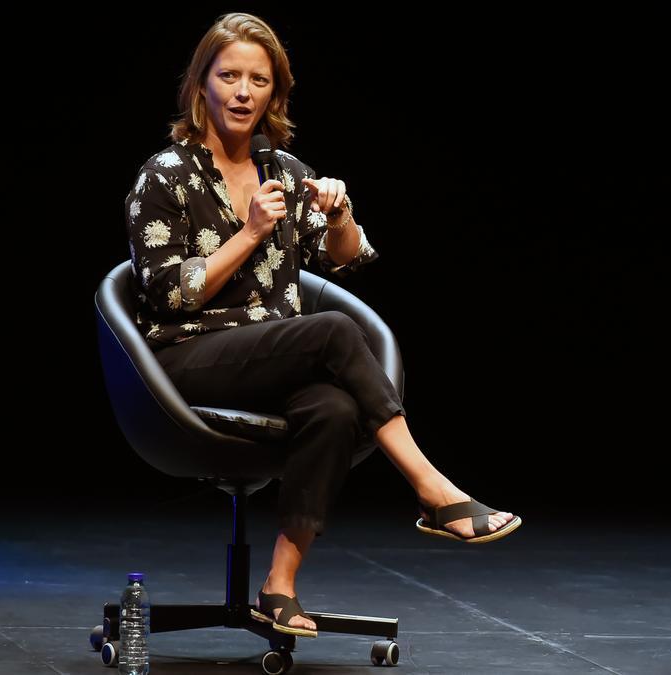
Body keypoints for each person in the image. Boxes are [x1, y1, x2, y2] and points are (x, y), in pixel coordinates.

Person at [124, 13, 520, 639]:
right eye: (228, 76)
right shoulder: (165, 175)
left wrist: (339, 213)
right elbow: (170, 293)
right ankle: (431, 489)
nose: (242, 92)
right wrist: (250, 231)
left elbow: (347, 256)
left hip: (271, 358)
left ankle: (279, 586)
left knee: (334, 408)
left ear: (274, 94)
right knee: (332, 330)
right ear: (200, 85)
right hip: (185, 360)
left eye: (258, 80)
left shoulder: (283, 167)